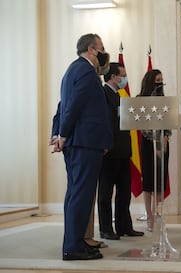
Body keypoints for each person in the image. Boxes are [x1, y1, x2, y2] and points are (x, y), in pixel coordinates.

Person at [56, 33, 112, 260]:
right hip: (85, 143)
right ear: (91, 49)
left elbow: (63, 106)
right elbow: (72, 107)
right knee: (81, 196)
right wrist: (62, 134)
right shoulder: (87, 72)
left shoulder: (72, 70)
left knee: (76, 194)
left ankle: (77, 241)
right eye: (101, 48)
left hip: (79, 142)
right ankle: (73, 247)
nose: (103, 52)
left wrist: (58, 133)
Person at [50, 103, 108, 250]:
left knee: (80, 194)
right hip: (81, 144)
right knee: (80, 194)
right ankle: (78, 239)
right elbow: (62, 113)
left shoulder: (73, 82)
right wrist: (58, 135)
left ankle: (79, 238)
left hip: (81, 143)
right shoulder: (84, 82)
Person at [98, 62, 144, 240]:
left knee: (124, 192)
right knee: (106, 193)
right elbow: (103, 122)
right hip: (108, 151)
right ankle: (106, 229)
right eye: (122, 75)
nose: (124, 78)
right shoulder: (103, 94)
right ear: (112, 77)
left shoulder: (120, 95)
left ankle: (124, 226)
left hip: (124, 151)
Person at [138, 69, 171, 232]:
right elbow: (142, 126)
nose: (160, 83)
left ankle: (158, 214)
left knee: (160, 180)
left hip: (163, 143)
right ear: (150, 81)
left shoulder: (164, 100)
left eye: (161, 80)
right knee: (149, 181)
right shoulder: (140, 100)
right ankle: (149, 215)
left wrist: (164, 140)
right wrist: (155, 143)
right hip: (148, 144)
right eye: (157, 80)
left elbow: (168, 122)